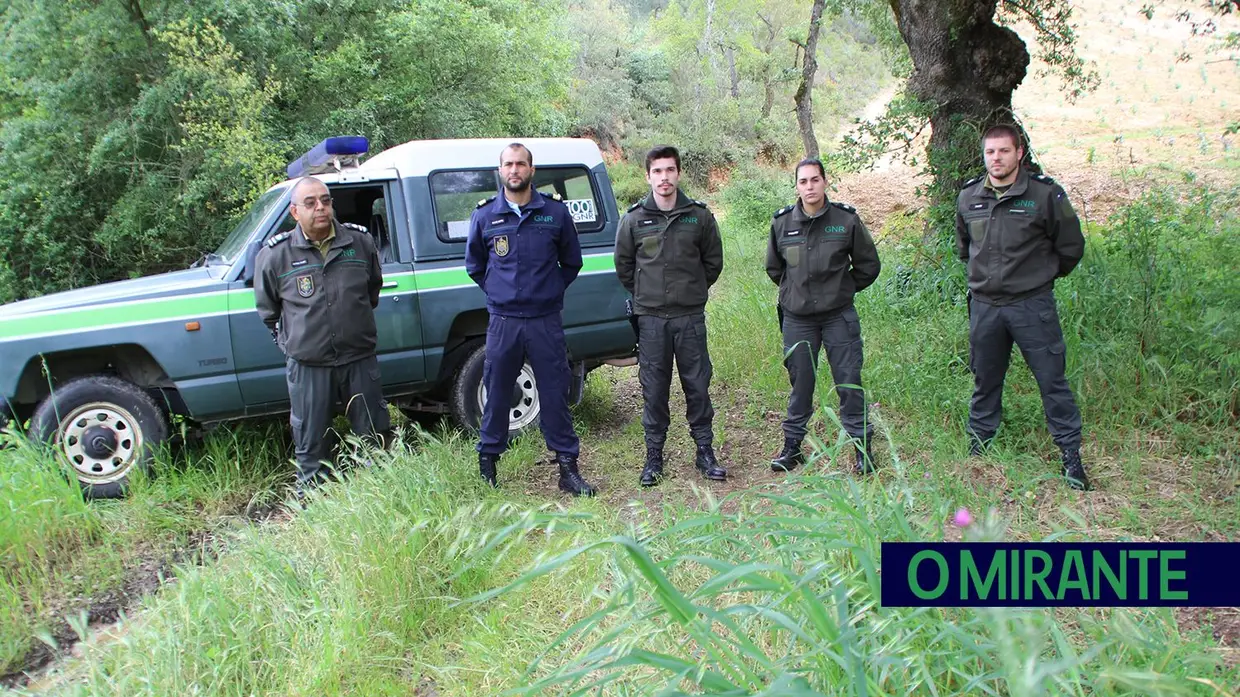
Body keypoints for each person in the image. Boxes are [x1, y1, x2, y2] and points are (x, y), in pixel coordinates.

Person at [955, 124, 1091, 490]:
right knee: (985, 380)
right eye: (990, 152)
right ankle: (979, 450)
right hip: (985, 307)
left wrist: (1040, 277)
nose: (996, 158)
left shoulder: (1045, 195)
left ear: (1019, 153)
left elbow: (1070, 247)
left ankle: (1070, 456)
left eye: (1003, 151)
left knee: (1052, 381)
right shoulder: (969, 197)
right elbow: (964, 246)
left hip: (1032, 307)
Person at [464, 142, 596, 497]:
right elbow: (475, 266)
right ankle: (488, 466)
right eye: (508, 164)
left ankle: (568, 469)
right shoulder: (485, 216)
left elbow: (572, 262)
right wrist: (498, 291)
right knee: (496, 394)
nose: (515, 170)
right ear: (500, 170)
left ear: (531, 170)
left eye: (521, 164)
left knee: (554, 392)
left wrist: (550, 290)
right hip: (504, 321)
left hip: (544, 320)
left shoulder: (554, 213)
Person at [255, 176, 391, 498]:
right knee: (311, 446)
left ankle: (382, 506)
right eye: (311, 203)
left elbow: (372, 290)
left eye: (326, 200)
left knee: (374, 440)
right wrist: (295, 344)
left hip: (358, 358)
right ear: (294, 212)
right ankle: (313, 517)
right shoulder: (275, 256)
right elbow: (269, 310)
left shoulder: (359, 243)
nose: (321, 208)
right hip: (309, 366)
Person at [615, 145, 726, 487]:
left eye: (669, 170)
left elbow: (713, 263)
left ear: (678, 173)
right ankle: (654, 458)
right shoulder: (633, 219)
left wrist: (690, 291)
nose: (664, 177)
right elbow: (624, 267)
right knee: (654, 388)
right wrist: (649, 295)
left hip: (689, 317)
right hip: (651, 320)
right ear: (648, 176)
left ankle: (705, 452)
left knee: (697, 385)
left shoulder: (699, 216)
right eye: (657, 171)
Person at [765, 158, 882, 475]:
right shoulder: (782, 223)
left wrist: (842, 289)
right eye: (803, 182)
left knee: (849, 382)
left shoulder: (845, 221)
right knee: (800, 383)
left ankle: (862, 450)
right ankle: (792, 449)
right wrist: (794, 294)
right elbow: (775, 269)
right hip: (798, 319)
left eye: (815, 180)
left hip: (837, 317)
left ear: (825, 182)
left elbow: (869, 265)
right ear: (797, 187)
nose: (809, 187)